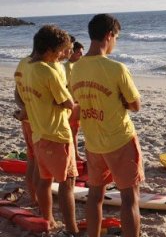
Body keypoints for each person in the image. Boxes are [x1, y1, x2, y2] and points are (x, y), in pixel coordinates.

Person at [70, 14, 143, 237]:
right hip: (120, 139)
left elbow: (78, 102)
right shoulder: (116, 68)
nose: (115, 43)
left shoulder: (76, 68)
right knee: (130, 197)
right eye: (116, 38)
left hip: (93, 142)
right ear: (109, 35)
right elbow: (135, 104)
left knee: (95, 196)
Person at [20, 25, 78, 235]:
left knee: (45, 181)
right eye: (62, 51)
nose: (64, 55)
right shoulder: (48, 71)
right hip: (58, 134)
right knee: (67, 184)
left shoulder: (27, 68)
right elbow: (68, 103)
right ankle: (72, 229)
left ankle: (48, 219)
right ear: (50, 50)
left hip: (39, 133)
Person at [13, 50, 39, 205]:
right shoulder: (40, 67)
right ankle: (37, 200)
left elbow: (17, 91)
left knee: (32, 158)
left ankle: (34, 198)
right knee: (39, 162)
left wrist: (23, 110)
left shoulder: (22, 63)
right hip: (38, 122)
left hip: (27, 120)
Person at [64, 41, 85, 161]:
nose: (80, 56)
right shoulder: (68, 67)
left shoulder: (76, 66)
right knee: (73, 131)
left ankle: (75, 154)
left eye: (82, 53)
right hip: (72, 103)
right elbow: (64, 86)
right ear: (71, 53)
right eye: (78, 53)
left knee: (75, 130)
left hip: (77, 102)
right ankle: (74, 155)